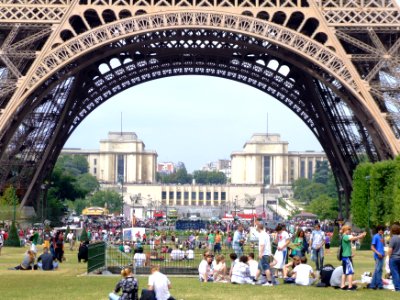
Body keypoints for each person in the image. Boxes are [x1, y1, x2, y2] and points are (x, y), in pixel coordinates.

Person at [340, 225, 366, 290]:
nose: (349, 231)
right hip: (347, 257)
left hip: (345, 256)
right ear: (345, 230)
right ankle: (350, 286)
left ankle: (342, 286)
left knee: (344, 272)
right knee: (350, 272)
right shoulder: (345, 236)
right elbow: (352, 239)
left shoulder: (344, 236)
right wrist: (360, 236)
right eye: (349, 230)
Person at [369, 225, 385, 289]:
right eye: (379, 230)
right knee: (378, 270)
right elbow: (372, 247)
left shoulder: (382, 237)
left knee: (378, 270)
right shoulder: (375, 236)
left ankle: (373, 285)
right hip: (378, 256)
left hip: (382, 256)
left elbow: (381, 246)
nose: (381, 231)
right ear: (377, 230)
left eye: (382, 230)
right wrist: (378, 253)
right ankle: (379, 285)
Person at [389, 223, 400, 292]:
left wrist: (388, 257)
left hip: (394, 257)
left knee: (395, 273)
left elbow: (390, 249)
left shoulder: (393, 238)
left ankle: (398, 288)